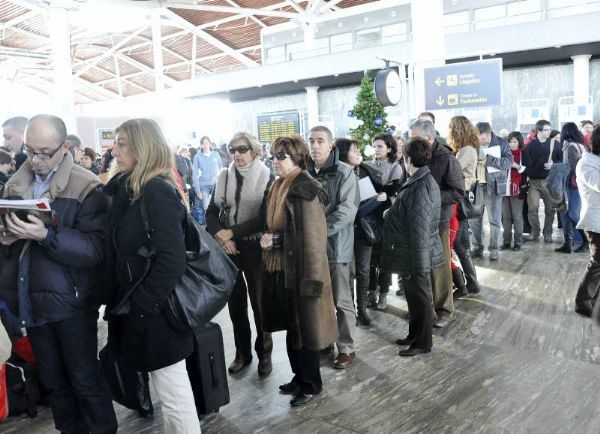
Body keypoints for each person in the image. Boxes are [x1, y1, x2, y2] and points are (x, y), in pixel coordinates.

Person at [0, 114, 117, 433]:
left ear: (65, 147)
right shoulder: (15, 184)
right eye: (29, 150)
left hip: (72, 304)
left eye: (44, 152)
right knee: (55, 385)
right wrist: (7, 237)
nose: (34, 159)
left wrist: (47, 236)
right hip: (31, 303)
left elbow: (95, 251)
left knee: (85, 379)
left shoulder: (86, 187)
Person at [105, 118, 201, 433]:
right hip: (144, 309)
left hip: (158, 313)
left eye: (121, 143)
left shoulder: (157, 190)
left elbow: (171, 260)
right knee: (169, 394)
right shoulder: (131, 188)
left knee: (174, 397)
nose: (113, 149)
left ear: (142, 147)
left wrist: (144, 307)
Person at [259, 135, 337, 406]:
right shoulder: (279, 185)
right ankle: (298, 377)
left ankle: (311, 384)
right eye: (273, 156)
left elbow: (314, 240)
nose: (275, 161)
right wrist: (270, 239)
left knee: (305, 331)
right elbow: (279, 226)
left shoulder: (305, 189)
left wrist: (312, 282)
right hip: (281, 269)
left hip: (303, 272)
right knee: (293, 329)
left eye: (281, 156)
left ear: (297, 158)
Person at [206, 131, 274, 376]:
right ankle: (242, 353)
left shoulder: (268, 176)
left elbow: (264, 217)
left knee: (259, 304)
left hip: (255, 248)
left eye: (242, 149)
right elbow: (211, 212)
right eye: (232, 149)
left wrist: (231, 232)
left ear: (254, 151)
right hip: (229, 250)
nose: (236, 154)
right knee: (235, 305)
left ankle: (264, 354)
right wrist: (222, 236)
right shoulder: (223, 176)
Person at [382, 136, 443, 356]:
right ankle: (414, 335)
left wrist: (419, 263)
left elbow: (419, 227)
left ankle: (422, 343)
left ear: (408, 159)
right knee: (414, 298)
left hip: (416, 253)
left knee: (421, 298)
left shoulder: (420, 185)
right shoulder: (419, 179)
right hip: (412, 252)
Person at [307, 125, 359, 369]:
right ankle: (325, 341)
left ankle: (346, 347)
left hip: (337, 248)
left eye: (320, 141)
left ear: (330, 146)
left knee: (341, 300)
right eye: (311, 141)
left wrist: (318, 232)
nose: (315, 146)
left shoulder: (344, 173)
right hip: (311, 250)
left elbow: (347, 210)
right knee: (318, 299)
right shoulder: (304, 172)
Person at [408, 119, 464, 328]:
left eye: (414, 138)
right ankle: (425, 309)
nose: (409, 143)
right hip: (417, 221)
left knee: (440, 268)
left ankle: (443, 310)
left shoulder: (446, 159)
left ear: (429, 138)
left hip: (439, 221)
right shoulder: (413, 156)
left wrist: (430, 197)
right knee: (421, 268)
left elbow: (458, 192)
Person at [335, 138, 384, 326]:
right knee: (348, 272)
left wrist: (377, 200)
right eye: (354, 150)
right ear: (343, 153)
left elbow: (369, 201)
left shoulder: (364, 172)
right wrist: (374, 202)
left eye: (358, 150)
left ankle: (362, 309)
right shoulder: (337, 175)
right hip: (344, 231)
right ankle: (350, 311)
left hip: (364, 230)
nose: (358, 153)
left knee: (364, 270)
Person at [364, 133, 403, 310]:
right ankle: (371, 291)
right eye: (374, 146)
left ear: (389, 148)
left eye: (380, 146)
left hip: (387, 216)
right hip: (369, 214)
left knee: (385, 257)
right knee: (371, 257)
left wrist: (384, 192)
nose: (376, 149)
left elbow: (394, 188)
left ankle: (384, 293)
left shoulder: (395, 167)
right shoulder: (366, 166)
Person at [447, 116, 481, 296]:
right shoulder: (467, 148)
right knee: (460, 245)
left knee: (458, 245)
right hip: (461, 199)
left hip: (459, 200)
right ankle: (471, 283)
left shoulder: (467, 150)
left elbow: (453, 170)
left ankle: (471, 284)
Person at [470, 122, 513, 261]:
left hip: (493, 187)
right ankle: (477, 246)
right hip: (476, 186)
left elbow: (509, 162)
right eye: (477, 138)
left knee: (494, 220)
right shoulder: (472, 143)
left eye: (481, 138)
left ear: (488, 134)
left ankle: (494, 248)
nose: (479, 140)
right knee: (474, 219)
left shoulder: (501, 143)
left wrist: (490, 160)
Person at [521, 119, 562, 243]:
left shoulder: (555, 144)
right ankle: (534, 231)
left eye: (550, 129)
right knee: (532, 208)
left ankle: (548, 233)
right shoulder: (530, 146)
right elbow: (525, 165)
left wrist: (553, 165)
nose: (549, 131)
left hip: (549, 183)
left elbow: (563, 162)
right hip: (533, 182)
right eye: (546, 130)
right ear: (538, 131)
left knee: (550, 209)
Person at [574, 126, 600, 317]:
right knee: (597, 263)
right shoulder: (586, 163)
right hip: (595, 222)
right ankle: (582, 303)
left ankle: (592, 300)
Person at [555, 122, 587, 254]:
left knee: (573, 214)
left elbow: (574, 168)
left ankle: (586, 241)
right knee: (566, 214)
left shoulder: (571, 147)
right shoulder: (579, 145)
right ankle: (568, 244)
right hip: (574, 185)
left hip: (572, 185)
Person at [501, 131, 527, 251]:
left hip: (517, 189)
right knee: (505, 217)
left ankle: (518, 242)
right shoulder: (503, 154)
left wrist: (517, 167)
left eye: (515, 142)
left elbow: (528, 172)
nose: (512, 144)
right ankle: (506, 242)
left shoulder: (523, 154)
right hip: (503, 189)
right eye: (510, 141)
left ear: (519, 142)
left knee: (517, 217)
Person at [192, 135, 222, 213]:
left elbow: (221, 169)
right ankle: (209, 223)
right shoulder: (197, 157)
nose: (205, 145)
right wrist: (198, 191)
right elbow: (194, 174)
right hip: (204, 185)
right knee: (206, 207)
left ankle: (216, 223)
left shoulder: (216, 154)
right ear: (201, 145)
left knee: (218, 207)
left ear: (210, 144)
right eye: (203, 143)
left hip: (216, 184)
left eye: (207, 143)